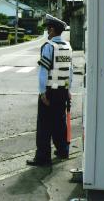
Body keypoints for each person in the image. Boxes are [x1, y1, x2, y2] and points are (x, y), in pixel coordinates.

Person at [27, 14, 73, 166]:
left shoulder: (48, 47)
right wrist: (68, 90)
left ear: (52, 30)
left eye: (48, 28)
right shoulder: (68, 47)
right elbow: (70, 72)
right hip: (63, 91)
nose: (47, 31)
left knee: (44, 125)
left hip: (50, 91)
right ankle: (62, 151)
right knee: (60, 123)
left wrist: (42, 92)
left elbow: (43, 72)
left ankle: (42, 157)